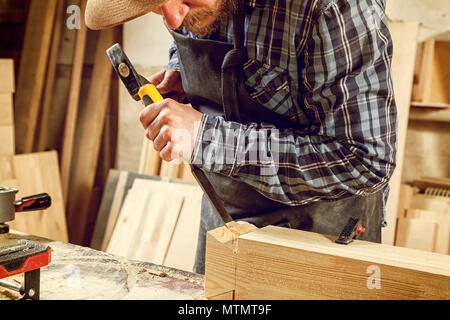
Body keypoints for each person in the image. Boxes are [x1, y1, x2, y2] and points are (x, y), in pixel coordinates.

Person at [86, 0, 397, 275]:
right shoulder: (184, 10)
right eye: (157, 6)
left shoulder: (332, 7)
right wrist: (185, 74)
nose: (173, 19)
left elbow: (365, 160)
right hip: (224, 220)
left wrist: (206, 139)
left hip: (319, 236)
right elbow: (193, 36)